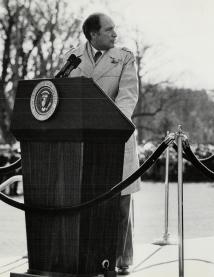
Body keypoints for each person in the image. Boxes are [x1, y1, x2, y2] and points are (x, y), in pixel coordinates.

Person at [60, 13, 140, 275]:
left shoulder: (125, 57)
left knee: (119, 202)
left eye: (115, 29)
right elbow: (63, 93)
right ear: (93, 35)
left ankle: (121, 259)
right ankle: (88, 257)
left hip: (115, 136)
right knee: (86, 200)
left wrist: (112, 125)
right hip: (81, 142)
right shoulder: (73, 58)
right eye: (109, 30)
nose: (115, 34)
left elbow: (128, 96)